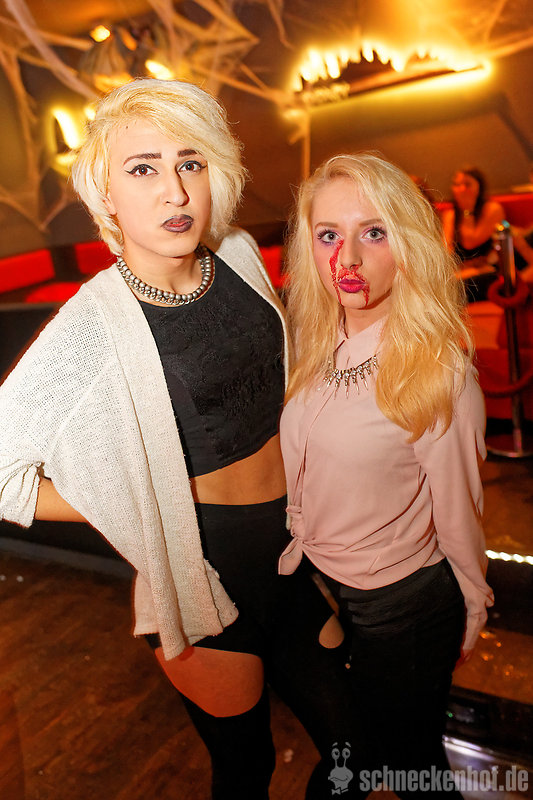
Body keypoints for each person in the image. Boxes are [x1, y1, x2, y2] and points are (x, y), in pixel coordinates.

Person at [0, 79, 355, 799]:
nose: (176, 191)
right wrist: (136, 498)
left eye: (190, 162)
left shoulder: (237, 255)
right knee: (245, 771)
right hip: (204, 575)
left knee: (359, 748)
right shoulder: (90, 326)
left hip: (293, 551)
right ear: (106, 195)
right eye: (143, 169)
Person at [279, 153, 494, 797]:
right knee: (398, 764)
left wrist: (473, 603)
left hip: (405, 608)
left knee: (393, 772)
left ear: (408, 244)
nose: (347, 257)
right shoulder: (314, 345)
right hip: (326, 590)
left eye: (374, 232)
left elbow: (459, 510)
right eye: (328, 235)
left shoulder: (438, 372)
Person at [441, 166, 504, 301]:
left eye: (467, 184)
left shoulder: (492, 209)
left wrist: (467, 210)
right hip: (460, 272)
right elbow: (446, 252)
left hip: (489, 271)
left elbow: (471, 242)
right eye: (457, 185)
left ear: (479, 187)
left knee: (454, 288)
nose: (462, 189)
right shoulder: (450, 215)